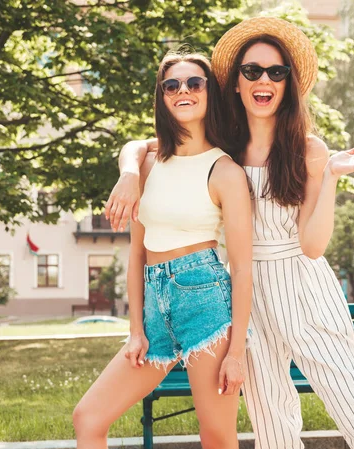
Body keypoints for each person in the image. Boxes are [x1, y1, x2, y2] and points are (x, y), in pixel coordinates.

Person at [104, 17, 354, 449]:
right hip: (246, 292)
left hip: (305, 288)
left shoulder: (309, 148)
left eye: (276, 72)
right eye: (252, 71)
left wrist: (331, 178)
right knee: (271, 424)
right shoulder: (223, 142)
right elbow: (142, 144)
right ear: (236, 84)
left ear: (288, 84)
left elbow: (313, 245)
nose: (264, 80)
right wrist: (130, 173)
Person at [73, 50, 252, 449]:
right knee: (88, 417)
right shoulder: (148, 164)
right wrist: (135, 330)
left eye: (194, 83)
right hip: (154, 305)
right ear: (162, 96)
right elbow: (137, 254)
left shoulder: (225, 171)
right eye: (171, 85)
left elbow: (241, 268)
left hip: (205, 300)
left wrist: (236, 352)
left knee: (217, 436)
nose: (182, 91)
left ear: (211, 93)